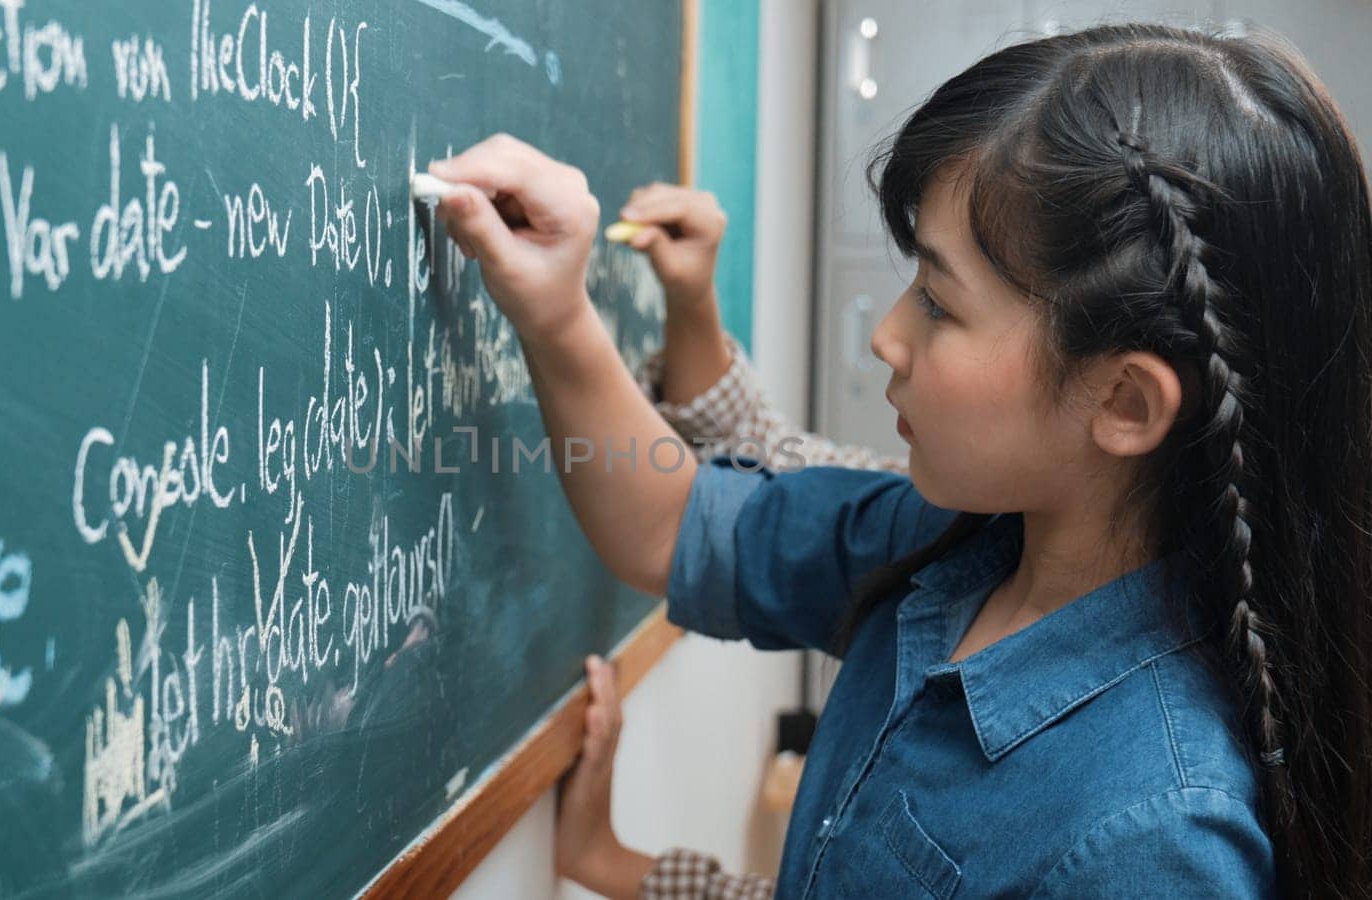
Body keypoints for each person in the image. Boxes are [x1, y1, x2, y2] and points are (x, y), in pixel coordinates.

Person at [431, 22, 1372, 898]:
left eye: (937, 301)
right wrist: (556, 315)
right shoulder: (954, 547)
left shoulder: (1155, 842)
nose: (886, 335)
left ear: (1124, 403)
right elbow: (672, 526)